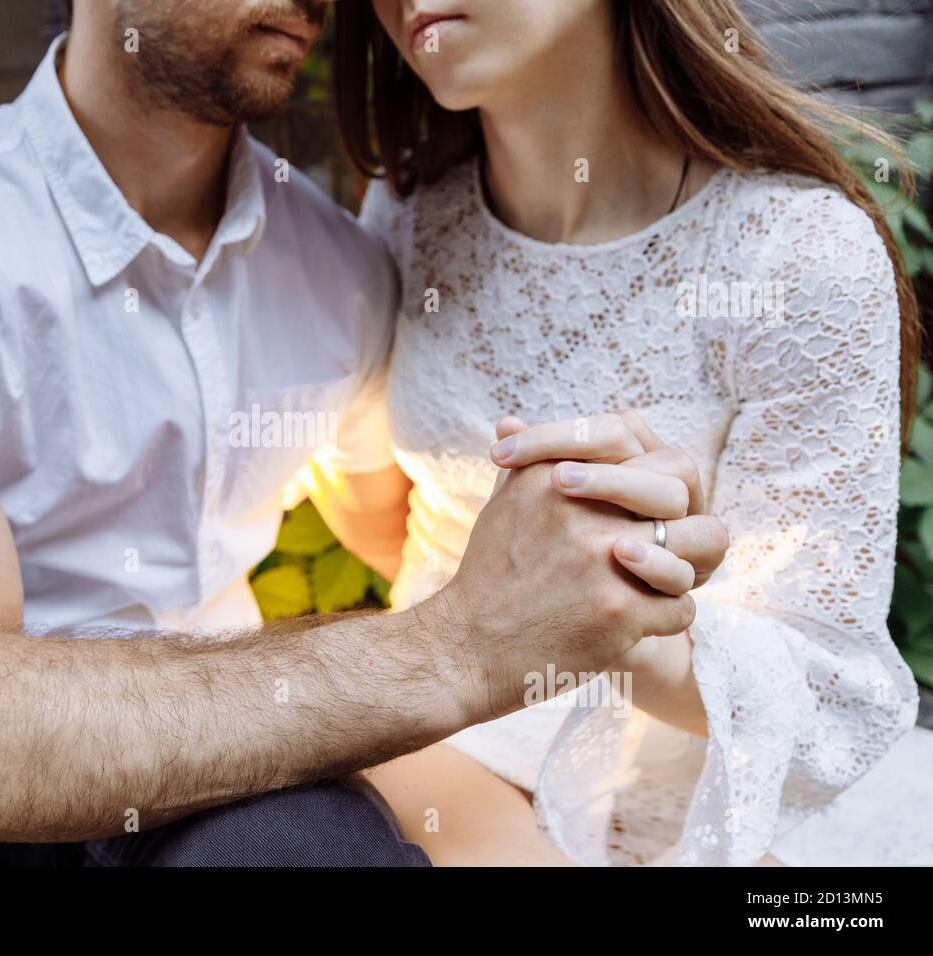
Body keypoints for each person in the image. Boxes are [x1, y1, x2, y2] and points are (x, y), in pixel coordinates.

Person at [0, 0, 724, 866]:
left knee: (302, 851)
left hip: (235, 771)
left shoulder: (341, 269)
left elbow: (386, 515)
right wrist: (456, 648)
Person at [333, 0, 921, 865]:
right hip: (445, 740)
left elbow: (826, 689)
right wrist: (483, 633)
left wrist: (603, 617)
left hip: (720, 789)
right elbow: (372, 513)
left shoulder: (797, 257)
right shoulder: (407, 217)